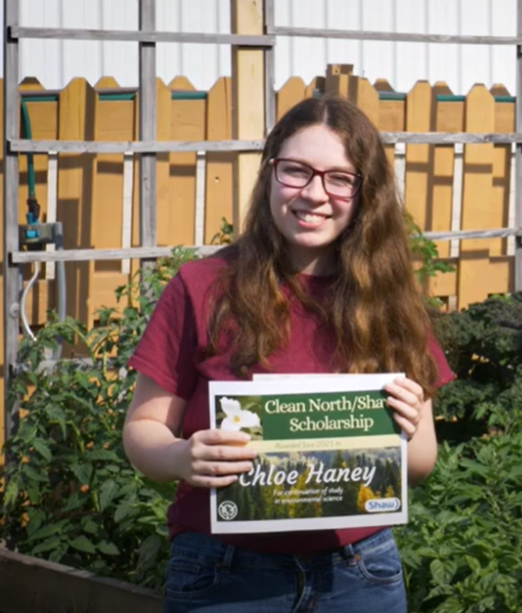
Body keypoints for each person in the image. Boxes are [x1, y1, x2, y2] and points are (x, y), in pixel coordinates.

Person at [122, 95, 454, 613]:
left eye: (340, 178)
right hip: (224, 573)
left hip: (358, 574)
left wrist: (407, 428)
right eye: (296, 171)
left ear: (366, 194)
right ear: (270, 173)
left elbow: (419, 462)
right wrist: (181, 456)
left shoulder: (390, 301)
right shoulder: (203, 287)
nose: (315, 193)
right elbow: (142, 433)